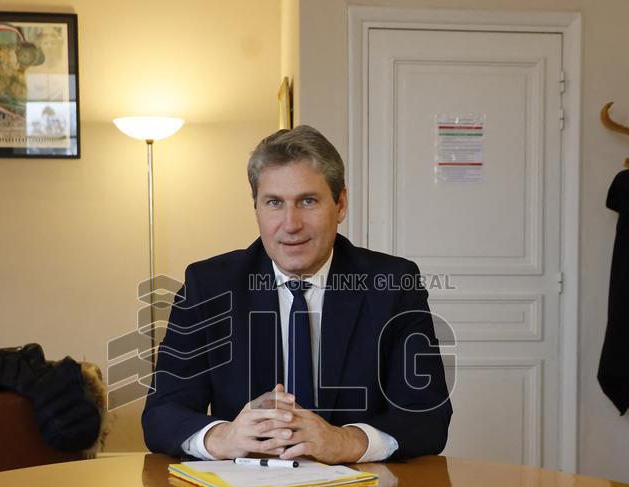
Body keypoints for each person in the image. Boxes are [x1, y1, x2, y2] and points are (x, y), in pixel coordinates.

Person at [142, 125, 450, 463]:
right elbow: (162, 414)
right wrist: (223, 436)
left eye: (308, 201)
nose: (291, 224)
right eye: (274, 202)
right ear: (256, 207)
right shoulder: (208, 286)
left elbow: (428, 417)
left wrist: (347, 441)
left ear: (341, 204)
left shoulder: (394, 284)